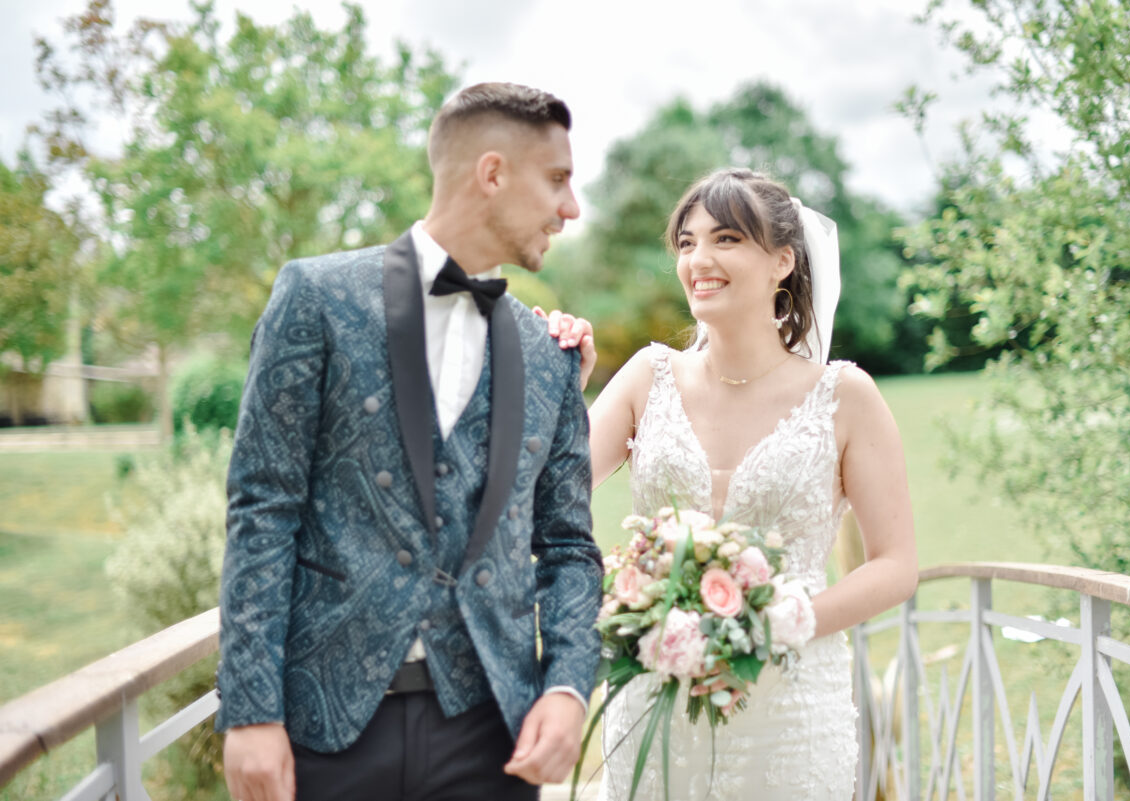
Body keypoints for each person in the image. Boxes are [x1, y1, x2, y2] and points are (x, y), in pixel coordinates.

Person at [216, 82, 603, 801]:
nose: (570, 208)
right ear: (492, 174)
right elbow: (263, 505)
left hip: (491, 734)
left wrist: (570, 685)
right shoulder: (316, 297)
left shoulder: (551, 353)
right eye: (557, 180)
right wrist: (251, 708)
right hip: (327, 727)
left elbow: (570, 546)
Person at [546, 167, 918, 800]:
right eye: (687, 243)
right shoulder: (648, 376)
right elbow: (543, 496)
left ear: (782, 260)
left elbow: (896, 565)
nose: (699, 259)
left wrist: (783, 621)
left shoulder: (845, 397)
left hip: (791, 715)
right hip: (657, 706)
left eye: (725, 239)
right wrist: (555, 389)